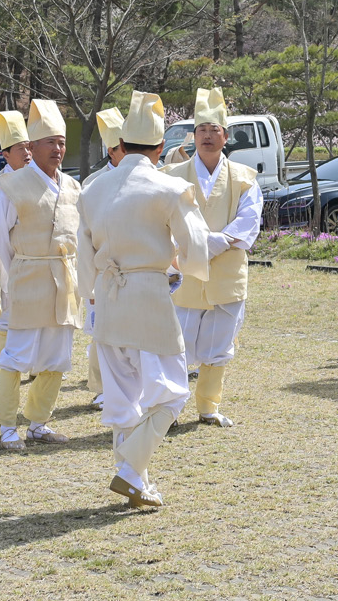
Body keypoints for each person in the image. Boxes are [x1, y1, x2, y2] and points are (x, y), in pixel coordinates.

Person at [77, 91, 209, 508]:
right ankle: (131, 470)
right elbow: (196, 246)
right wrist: (182, 269)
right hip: (149, 296)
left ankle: (135, 480)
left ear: (121, 142)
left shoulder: (91, 189)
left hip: (108, 297)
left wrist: (88, 296)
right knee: (173, 393)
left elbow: (82, 254)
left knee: (122, 399)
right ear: (160, 146)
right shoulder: (169, 187)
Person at [0, 100, 82, 450]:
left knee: (57, 356)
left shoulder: (72, 186)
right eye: (49, 142)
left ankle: (39, 422)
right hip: (28, 277)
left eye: (61, 142)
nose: (57, 149)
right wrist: (19, 267)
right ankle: (7, 427)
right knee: (17, 356)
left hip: (64, 279)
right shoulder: (13, 186)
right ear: (32, 147)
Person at [166, 87, 262, 428]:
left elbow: (249, 221)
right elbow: (163, 220)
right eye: (202, 130)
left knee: (219, 346)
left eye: (214, 130)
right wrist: (194, 245)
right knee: (176, 346)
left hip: (226, 274)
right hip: (185, 274)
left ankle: (208, 407)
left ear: (226, 136)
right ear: (193, 136)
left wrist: (211, 243)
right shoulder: (172, 176)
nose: (207, 136)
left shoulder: (244, 178)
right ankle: (169, 410)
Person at [79, 106, 125, 406]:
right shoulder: (92, 185)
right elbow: (85, 239)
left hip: (135, 268)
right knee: (102, 332)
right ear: (111, 151)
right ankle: (101, 387)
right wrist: (89, 286)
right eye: (124, 147)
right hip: (103, 269)